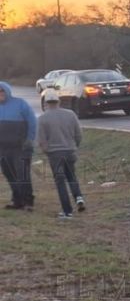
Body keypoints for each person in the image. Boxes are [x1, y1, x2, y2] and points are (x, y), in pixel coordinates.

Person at [37, 89, 85, 219]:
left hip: (55, 154)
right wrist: (75, 146)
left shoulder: (42, 119)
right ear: (59, 101)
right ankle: (79, 198)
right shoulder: (71, 114)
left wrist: (46, 151)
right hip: (70, 151)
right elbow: (78, 135)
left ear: (46, 103)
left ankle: (67, 211)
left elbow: (42, 141)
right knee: (72, 176)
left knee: (60, 182)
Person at [0, 81, 36, 210]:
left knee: (22, 174)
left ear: (7, 91)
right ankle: (17, 200)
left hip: (21, 146)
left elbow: (32, 122)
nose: (0, 94)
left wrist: (30, 139)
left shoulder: (20, 104)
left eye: (2, 91)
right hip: (3, 148)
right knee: (9, 173)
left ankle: (28, 201)